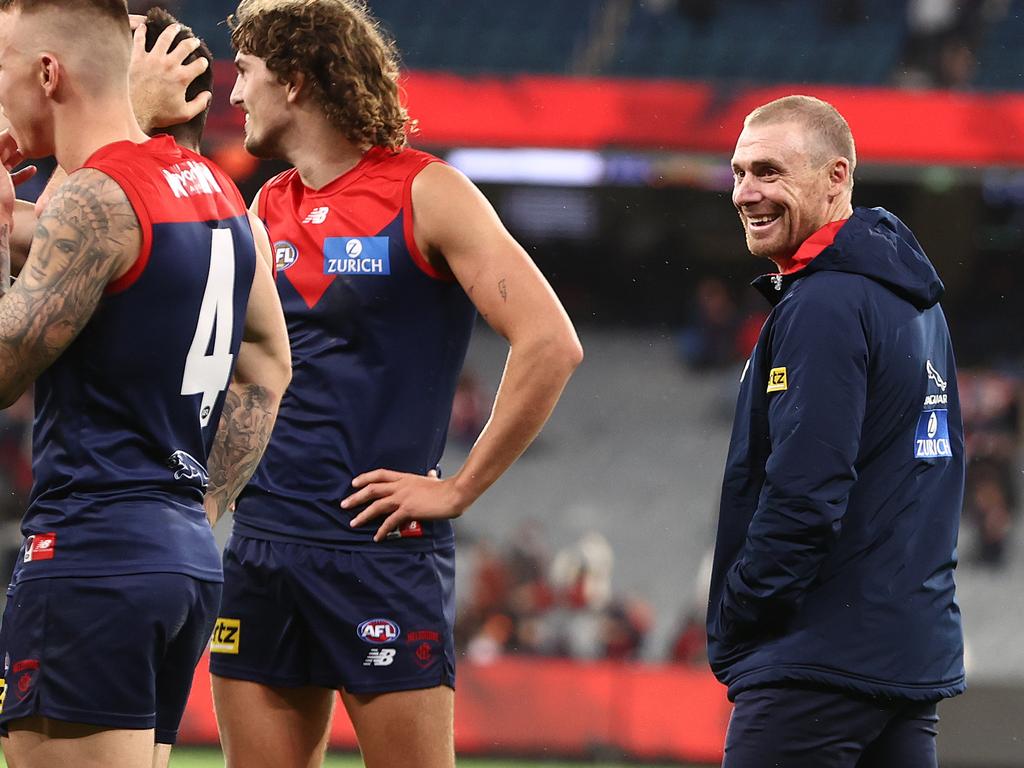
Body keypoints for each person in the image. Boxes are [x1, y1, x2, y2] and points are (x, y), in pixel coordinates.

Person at [203, 1, 582, 766]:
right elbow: (245, 375)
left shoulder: (427, 193)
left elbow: (550, 342)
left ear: (298, 79)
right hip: (263, 547)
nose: (233, 94)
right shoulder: (266, 206)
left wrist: (461, 488)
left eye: (244, 73)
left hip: (378, 553)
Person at [0, 3, 291, 768]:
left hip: (90, 556)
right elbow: (267, 364)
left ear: (50, 72)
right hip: (181, 556)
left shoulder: (99, 198)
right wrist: (206, 501)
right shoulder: (230, 207)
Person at [706, 94, 965, 767]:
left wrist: (740, 612)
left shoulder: (825, 302)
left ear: (837, 176)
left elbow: (806, 492)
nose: (745, 192)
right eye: (738, 172)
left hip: (818, 662)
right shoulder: (912, 300)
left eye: (768, 172)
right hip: (904, 658)